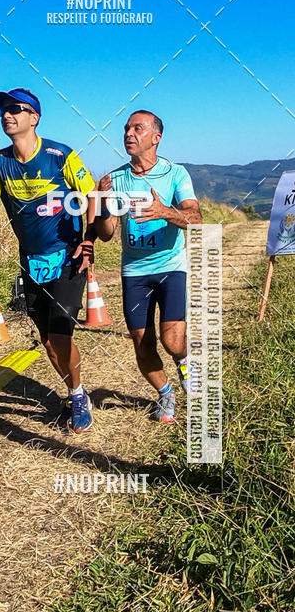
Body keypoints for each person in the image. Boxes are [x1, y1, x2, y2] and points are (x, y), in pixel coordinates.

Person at [0, 87, 97, 433]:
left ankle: (79, 396)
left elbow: (92, 196)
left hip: (68, 259)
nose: (7, 114)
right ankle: (71, 389)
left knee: (61, 336)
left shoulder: (61, 155)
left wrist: (89, 240)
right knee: (49, 343)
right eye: (3, 110)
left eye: (16, 109)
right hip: (32, 263)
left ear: (34, 117)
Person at [96, 110, 202, 423]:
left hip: (171, 266)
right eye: (126, 128)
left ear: (156, 137)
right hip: (134, 272)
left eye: (137, 128)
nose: (129, 133)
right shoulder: (114, 178)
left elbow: (196, 220)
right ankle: (166, 394)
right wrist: (103, 204)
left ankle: (184, 363)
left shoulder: (176, 174)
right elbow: (106, 235)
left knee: (171, 341)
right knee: (142, 344)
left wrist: (164, 211)